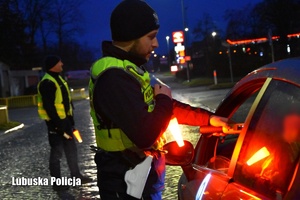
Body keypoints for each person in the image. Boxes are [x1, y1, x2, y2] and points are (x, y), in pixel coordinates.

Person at [89, 0, 229, 199]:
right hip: (126, 184)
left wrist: (208, 119)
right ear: (131, 36)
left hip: (138, 177)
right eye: (151, 37)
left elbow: (162, 107)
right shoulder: (114, 77)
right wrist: (163, 99)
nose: (155, 44)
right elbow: (146, 133)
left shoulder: (128, 69)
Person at [37, 55, 91, 191]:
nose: (62, 63)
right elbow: (49, 106)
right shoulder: (47, 82)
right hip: (56, 124)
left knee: (71, 150)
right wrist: (57, 124)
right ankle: (57, 183)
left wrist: (69, 121)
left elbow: (65, 101)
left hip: (65, 122)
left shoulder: (59, 78)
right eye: (59, 61)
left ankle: (76, 176)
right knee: (56, 154)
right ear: (53, 65)